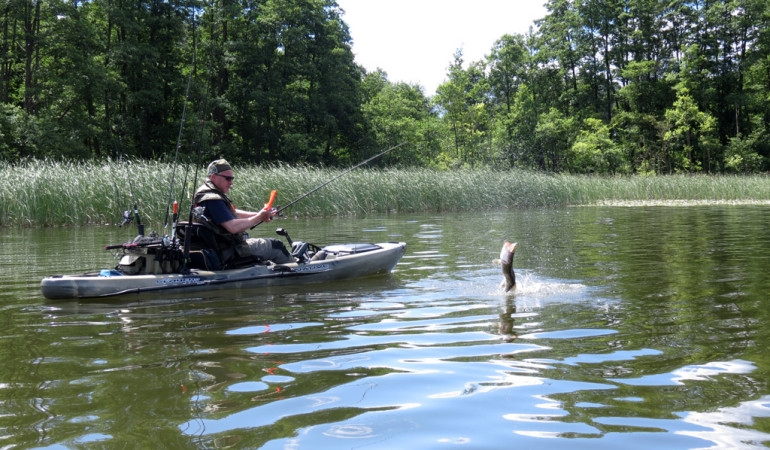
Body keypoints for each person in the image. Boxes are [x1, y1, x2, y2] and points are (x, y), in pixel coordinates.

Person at [192, 159, 294, 265]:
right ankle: (297, 269)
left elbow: (231, 213)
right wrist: (260, 217)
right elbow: (233, 227)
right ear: (213, 177)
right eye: (228, 178)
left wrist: (260, 214)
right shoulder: (213, 199)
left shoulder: (205, 193)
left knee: (247, 237)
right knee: (277, 246)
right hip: (228, 250)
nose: (231, 183)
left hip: (220, 245)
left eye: (232, 179)